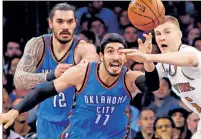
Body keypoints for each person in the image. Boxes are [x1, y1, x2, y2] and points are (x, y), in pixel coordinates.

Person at [0, 33, 160, 139]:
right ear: (101, 56)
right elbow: (43, 91)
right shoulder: (82, 73)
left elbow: (152, 85)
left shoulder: (129, 77)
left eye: (120, 52)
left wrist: (147, 60)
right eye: (110, 51)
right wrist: (15, 111)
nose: (116, 56)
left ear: (125, 58)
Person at [119, 15, 201, 139]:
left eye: (167, 32)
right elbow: (150, 84)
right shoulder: (164, 65)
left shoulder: (191, 52)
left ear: (179, 35)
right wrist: (147, 60)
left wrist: (149, 57)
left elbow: (189, 59)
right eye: (158, 34)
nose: (162, 37)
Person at [13, 3, 98, 139]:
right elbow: (19, 81)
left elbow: (91, 59)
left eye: (70, 21)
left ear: (75, 23)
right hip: (47, 122)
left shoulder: (83, 47)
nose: (65, 27)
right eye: (60, 21)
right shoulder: (37, 45)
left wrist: (86, 66)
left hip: (76, 123)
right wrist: (51, 75)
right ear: (50, 23)